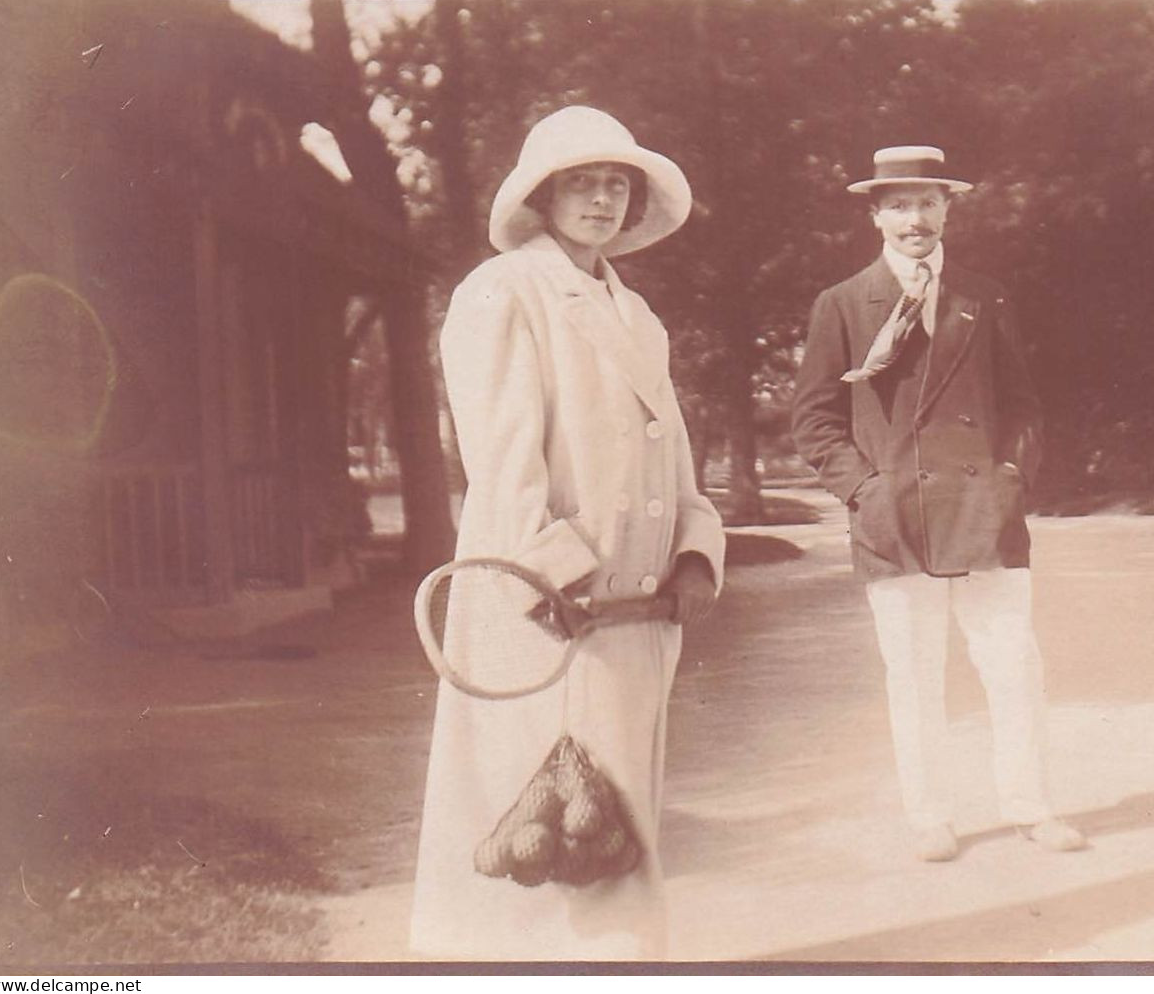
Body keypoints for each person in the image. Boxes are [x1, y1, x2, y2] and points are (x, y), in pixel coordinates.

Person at [409, 106, 724, 960]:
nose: (600, 199)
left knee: (615, 805)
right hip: (543, 600)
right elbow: (502, 465)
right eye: (581, 183)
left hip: (638, 605)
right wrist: (547, 579)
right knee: (534, 810)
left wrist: (696, 553)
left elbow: (676, 454)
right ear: (542, 198)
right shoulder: (501, 292)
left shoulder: (636, 313)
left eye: (616, 184)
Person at [791, 145, 1085, 863]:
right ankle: (929, 814)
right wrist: (863, 493)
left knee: (1012, 662)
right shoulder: (841, 303)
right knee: (914, 673)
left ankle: (1030, 804)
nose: (913, 218)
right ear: (874, 215)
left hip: (983, 510)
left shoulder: (983, 296)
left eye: (926, 201)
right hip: (895, 517)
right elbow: (813, 417)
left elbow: (1022, 403)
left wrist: (1011, 472)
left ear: (948, 208)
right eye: (897, 204)